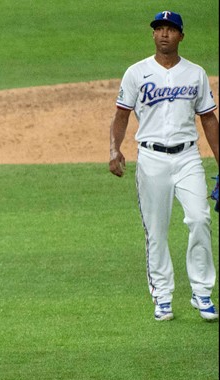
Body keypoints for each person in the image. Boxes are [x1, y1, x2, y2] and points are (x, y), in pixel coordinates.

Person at [109, 10, 219, 322]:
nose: (164, 34)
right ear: (153, 34)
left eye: (171, 29)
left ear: (181, 36)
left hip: (188, 158)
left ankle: (202, 293)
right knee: (155, 231)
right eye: (159, 29)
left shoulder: (195, 73)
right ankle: (163, 296)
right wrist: (114, 149)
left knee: (199, 219)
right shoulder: (136, 72)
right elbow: (121, 115)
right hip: (152, 159)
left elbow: (209, 118)